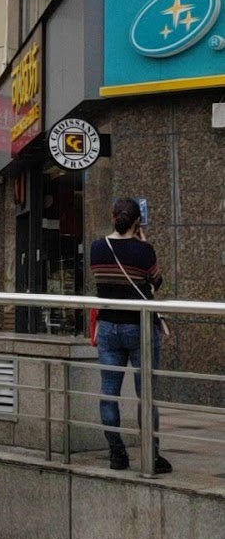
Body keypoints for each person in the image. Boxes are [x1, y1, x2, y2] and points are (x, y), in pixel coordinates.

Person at [90, 196, 172, 475]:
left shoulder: (97, 248)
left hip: (108, 327)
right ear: (138, 221)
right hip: (139, 327)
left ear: (113, 218)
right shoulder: (144, 251)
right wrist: (143, 243)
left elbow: (102, 281)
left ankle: (117, 453)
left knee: (109, 393)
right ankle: (152, 455)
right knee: (146, 394)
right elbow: (156, 283)